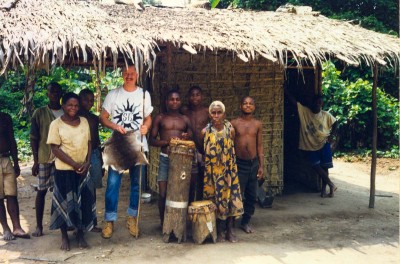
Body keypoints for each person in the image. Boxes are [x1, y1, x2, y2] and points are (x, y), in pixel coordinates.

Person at [100, 64, 153, 239]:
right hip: (118, 143)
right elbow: (103, 117)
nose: (129, 76)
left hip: (137, 144)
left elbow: (148, 117)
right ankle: (109, 220)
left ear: (137, 75)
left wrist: (146, 126)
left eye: (132, 73)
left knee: (136, 184)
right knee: (113, 184)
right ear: (122, 75)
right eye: (126, 73)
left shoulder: (144, 94)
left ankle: (132, 218)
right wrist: (115, 126)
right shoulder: (113, 94)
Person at [47, 92, 95, 251]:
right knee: (64, 204)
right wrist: (74, 164)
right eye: (70, 105)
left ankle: (80, 234)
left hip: (82, 169)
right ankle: (64, 237)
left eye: (76, 105)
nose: (73, 108)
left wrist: (87, 163)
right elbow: (55, 149)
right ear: (63, 106)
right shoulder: (56, 124)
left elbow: (89, 143)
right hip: (64, 170)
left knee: (82, 202)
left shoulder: (84, 121)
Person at [201, 101, 243, 243]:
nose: (216, 115)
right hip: (212, 172)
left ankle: (230, 230)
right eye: (213, 112)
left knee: (230, 197)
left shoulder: (230, 130)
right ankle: (219, 230)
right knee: (215, 198)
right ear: (209, 114)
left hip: (228, 171)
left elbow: (233, 148)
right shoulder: (205, 132)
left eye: (219, 112)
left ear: (224, 114)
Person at [149, 89, 192, 227]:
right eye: (171, 99)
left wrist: (186, 137)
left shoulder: (185, 119)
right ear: (167, 102)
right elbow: (152, 140)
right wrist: (167, 142)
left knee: (181, 192)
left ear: (180, 101)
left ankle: (180, 222)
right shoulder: (160, 118)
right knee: (163, 193)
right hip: (165, 158)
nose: (174, 102)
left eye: (177, 99)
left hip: (182, 161)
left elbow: (190, 135)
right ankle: (163, 223)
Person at [285, 89, 337, 197]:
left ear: (322, 104)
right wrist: (286, 90)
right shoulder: (305, 112)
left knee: (324, 167)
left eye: (320, 103)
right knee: (316, 166)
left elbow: (336, 123)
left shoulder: (326, 115)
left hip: (324, 143)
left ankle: (324, 191)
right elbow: (294, 102)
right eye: (316, 102)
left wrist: (332, 136)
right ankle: (331, 184)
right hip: (310, 145)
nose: (318, 104)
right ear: (312, 103)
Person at [30, 82, 64, 237]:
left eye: (57, 91)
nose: (55, 94)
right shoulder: (40, 113)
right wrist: (35, 161)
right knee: (42, 191)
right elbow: (34, 138)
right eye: (52, 91)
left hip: (63, 159)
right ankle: (39, 226)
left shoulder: (66, 112)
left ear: (61, 94)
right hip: (44, 157)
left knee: (61, 191)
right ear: (47, 94)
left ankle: (62, 223)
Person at [231, 96, 264, 234]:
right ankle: (231, 222)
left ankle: (245, 221)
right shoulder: (234, 123)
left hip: (253, 163)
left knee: (252, 195)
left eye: (251, 104)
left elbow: (260, 145)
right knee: (236, 194)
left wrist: (261, 166)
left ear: (254, 107)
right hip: (239, 163)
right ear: (240, 106)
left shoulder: (257, 124)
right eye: (245, 103)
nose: (248, 106)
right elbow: (230, 144)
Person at [0, 112, 30, 241]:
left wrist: (16, 162)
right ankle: (6, 228)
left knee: (12, 194)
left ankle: (17, 227)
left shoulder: (5, 117)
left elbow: (11, 140)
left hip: (6, 158)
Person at [78, 89, 103, 233]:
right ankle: (78, 222)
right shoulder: (75, 118)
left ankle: (92, 222)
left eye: (91, 100)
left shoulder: (94, 118)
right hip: (79, 155)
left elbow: (97, 140)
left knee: (92, 189)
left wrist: (100, 160)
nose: (89, 102)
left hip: (93, 154)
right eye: (85, 100)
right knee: (79, 188)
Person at [182, 86, 209, 201]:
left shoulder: (207, 111)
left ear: (201, 96)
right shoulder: (185, 111)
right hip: (190, 150)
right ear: (188, 97)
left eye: (197, 94)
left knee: (203, 179)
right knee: (191, 180)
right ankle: (190, 205)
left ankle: (200, 205)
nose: (195, 97)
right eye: (192, 95)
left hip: (204, 150)